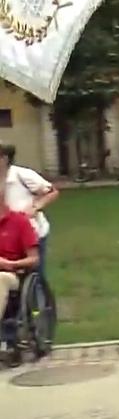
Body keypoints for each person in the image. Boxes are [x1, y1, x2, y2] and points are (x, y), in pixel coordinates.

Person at [0, 145, 57, 285]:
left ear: (4, 159)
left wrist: (35, 207)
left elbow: (51, 191)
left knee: (35, 272)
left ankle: (39, 302)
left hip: (32, 230)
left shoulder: (21, 174)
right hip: (5, 230)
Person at [0, 182, 39, 367]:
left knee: (1, 279)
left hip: (12, 274)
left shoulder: (19, 222)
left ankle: (8, 341)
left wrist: (11, 264)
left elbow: (34, 259)